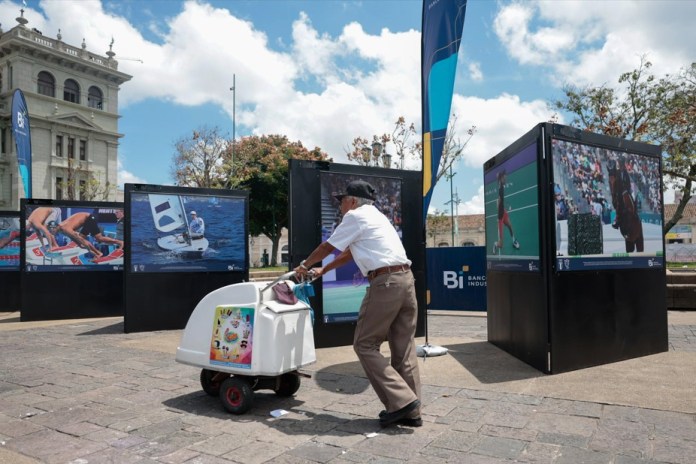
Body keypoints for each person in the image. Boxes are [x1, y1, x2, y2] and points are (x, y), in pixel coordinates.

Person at [294, 180, 421, 427]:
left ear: (352, 201)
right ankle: (412, 413)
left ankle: (403, 401)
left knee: (364, 344)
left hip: (385, 282)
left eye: (341, 200)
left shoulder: (354, 216)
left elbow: (327, 246)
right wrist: (324, 270)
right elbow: (349, 253)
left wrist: (305, 265)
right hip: (406, 280)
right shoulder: (379, 217)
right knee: (403, 348)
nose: (340, 205)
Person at [56, 211, 124, 259]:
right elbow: (75, 239)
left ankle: (99, 252)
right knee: (89, 241)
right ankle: (98, 253)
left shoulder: (65, 228)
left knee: (93, 239)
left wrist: (90, 250)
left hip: (88, 218)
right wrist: (81, 245)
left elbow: (80, 239)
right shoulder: (61, 229)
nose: (52, 234)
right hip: (86, 220)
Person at [493, 170, 520, 253]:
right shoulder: (501, 188)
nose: (506, 180)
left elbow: (499, 200)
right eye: (504, 179)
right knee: (501, 245)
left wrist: (503, 208)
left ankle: (514, 241)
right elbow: (498, 201)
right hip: (500, 217)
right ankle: (495, 244)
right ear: (501, 179)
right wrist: (499, 209)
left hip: (503, 213)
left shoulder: (501, 186)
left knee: (510, 226)